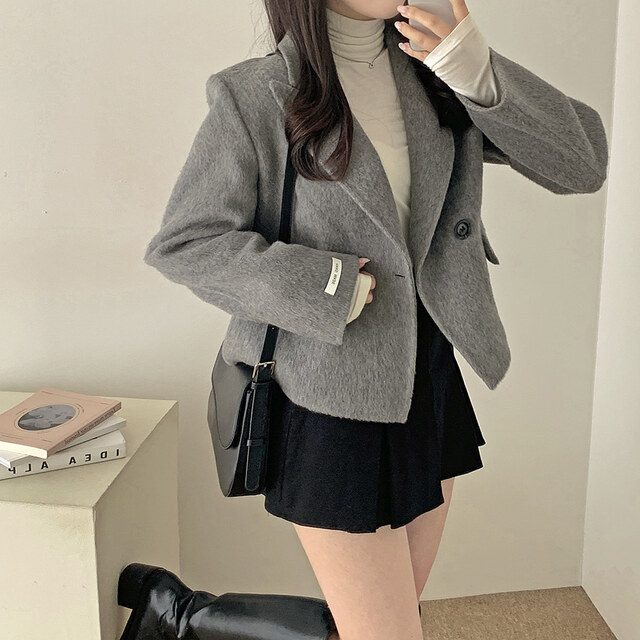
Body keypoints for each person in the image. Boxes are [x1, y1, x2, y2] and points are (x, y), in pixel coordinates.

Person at [143, 1, 608, 639]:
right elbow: (186, 242)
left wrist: (476, 70)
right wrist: (328, 285)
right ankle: (191, 621)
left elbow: (583, 165)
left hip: (428, 374)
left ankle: (188, 618)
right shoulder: (255, 94)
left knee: (385, 621)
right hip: (329, 391)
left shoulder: (436, 73)